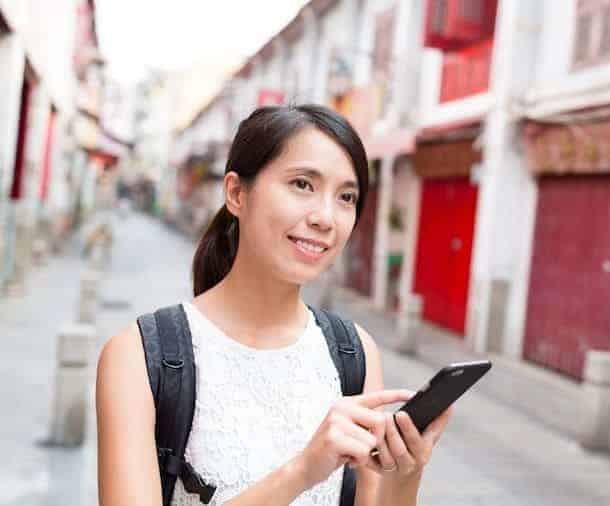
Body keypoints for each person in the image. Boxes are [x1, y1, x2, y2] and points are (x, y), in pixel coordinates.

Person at [96, 105, 451, 506]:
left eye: (346, 197)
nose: (325, 218)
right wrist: (302, 472)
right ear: (235, 193)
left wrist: (406, 472)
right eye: (302, 184)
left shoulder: (354, 352)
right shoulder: (140, 356)